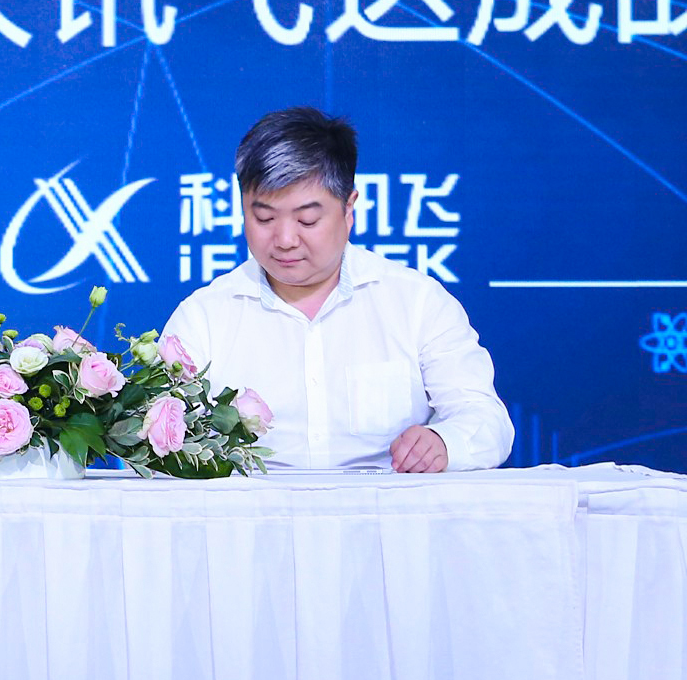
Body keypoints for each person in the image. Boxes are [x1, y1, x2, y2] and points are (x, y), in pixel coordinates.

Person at [163, 107, 512, 472]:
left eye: (307, 219)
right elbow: (162, 439)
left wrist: (443, 442)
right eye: (264, 218)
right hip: (251, 508)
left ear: (349, 209)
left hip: (387, 506)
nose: (285, 239)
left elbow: (486, 419)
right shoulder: (204, 317)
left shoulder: (416, 302)